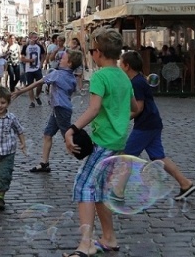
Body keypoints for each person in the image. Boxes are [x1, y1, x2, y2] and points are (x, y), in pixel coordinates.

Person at [63, 27, 138, 257]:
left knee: (83, 186)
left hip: (103, 142)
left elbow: (94, 109)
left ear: (98, 53)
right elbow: (134, 109)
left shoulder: (100, 76)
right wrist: (119, 118)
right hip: (118, 141)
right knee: (101, 190)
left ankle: (86, 244)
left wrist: (72, 128)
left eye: (93, 50)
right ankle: (109, 238)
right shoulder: (123, 77)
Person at [119, 51, 195, 201]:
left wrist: (122, 119)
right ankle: (185, 183)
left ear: (127, 66)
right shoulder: (139, 80)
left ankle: (118, 193)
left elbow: (139, 108)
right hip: (153, 123)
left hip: (145, 125)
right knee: (158, 157)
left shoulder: (136, 82)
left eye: (120, 63)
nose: (119, 65)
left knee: (127, 157)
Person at [13, 49, 83, 173]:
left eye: (63, 58)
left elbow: (37, 83)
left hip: (60, 109)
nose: (60, 59)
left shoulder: (56, 74)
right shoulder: (71, 77)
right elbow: (71, 89)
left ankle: (86, 156)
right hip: (60, 109)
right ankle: (44, 163)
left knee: (68, 138)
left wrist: (20, 91)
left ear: (70, 63)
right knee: (47, 134)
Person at [21, 31, 46, 108]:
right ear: (30, 37)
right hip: (29, 69)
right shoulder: (26, 46)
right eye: (33, 37)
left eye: (36, 37)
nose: (35, 39)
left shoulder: (39, 46)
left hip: (37, 68)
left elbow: (44, 54)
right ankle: (32, 102)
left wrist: (41, 63)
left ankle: (37, 96)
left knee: (40, 84)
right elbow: (22, 58)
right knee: (30, 86)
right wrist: (29, 60)